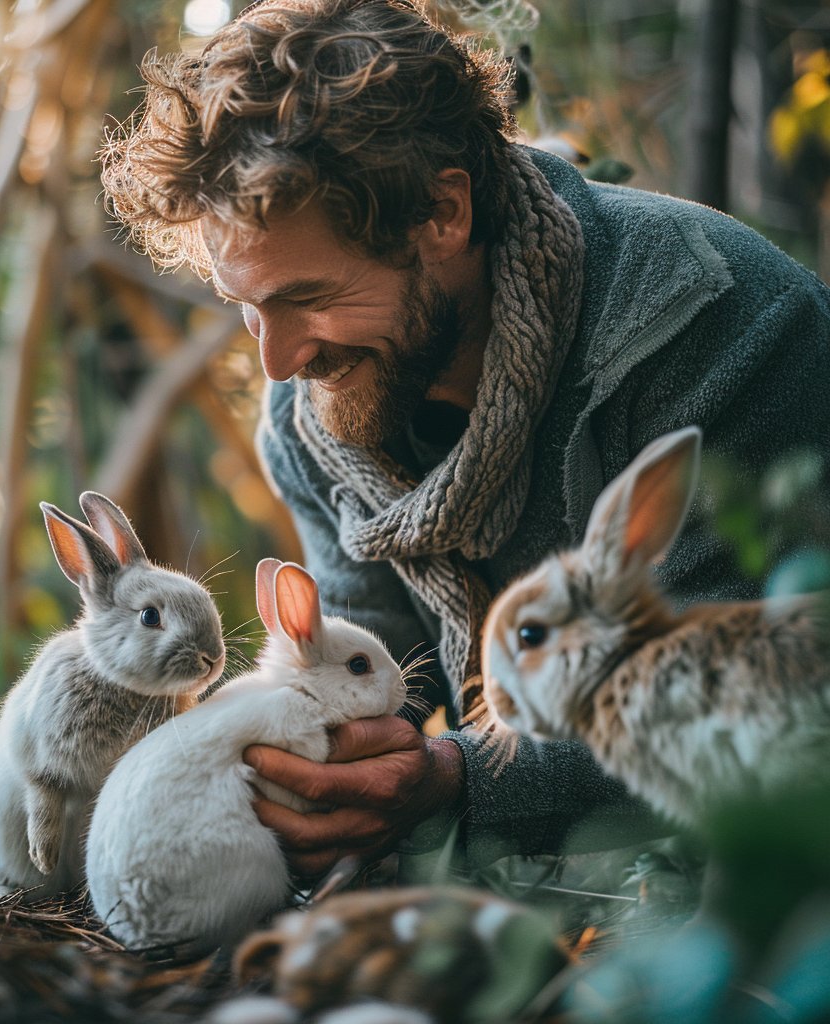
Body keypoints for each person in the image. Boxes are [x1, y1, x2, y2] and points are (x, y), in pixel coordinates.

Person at [100, 0, 830, 881]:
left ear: (443, 211)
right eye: (248, 309)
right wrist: (337, 761)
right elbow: (360, 653)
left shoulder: (716, 323)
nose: (282, 362)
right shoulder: (315, 427)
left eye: (307, 296)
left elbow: (746, 707)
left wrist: (454, 780)